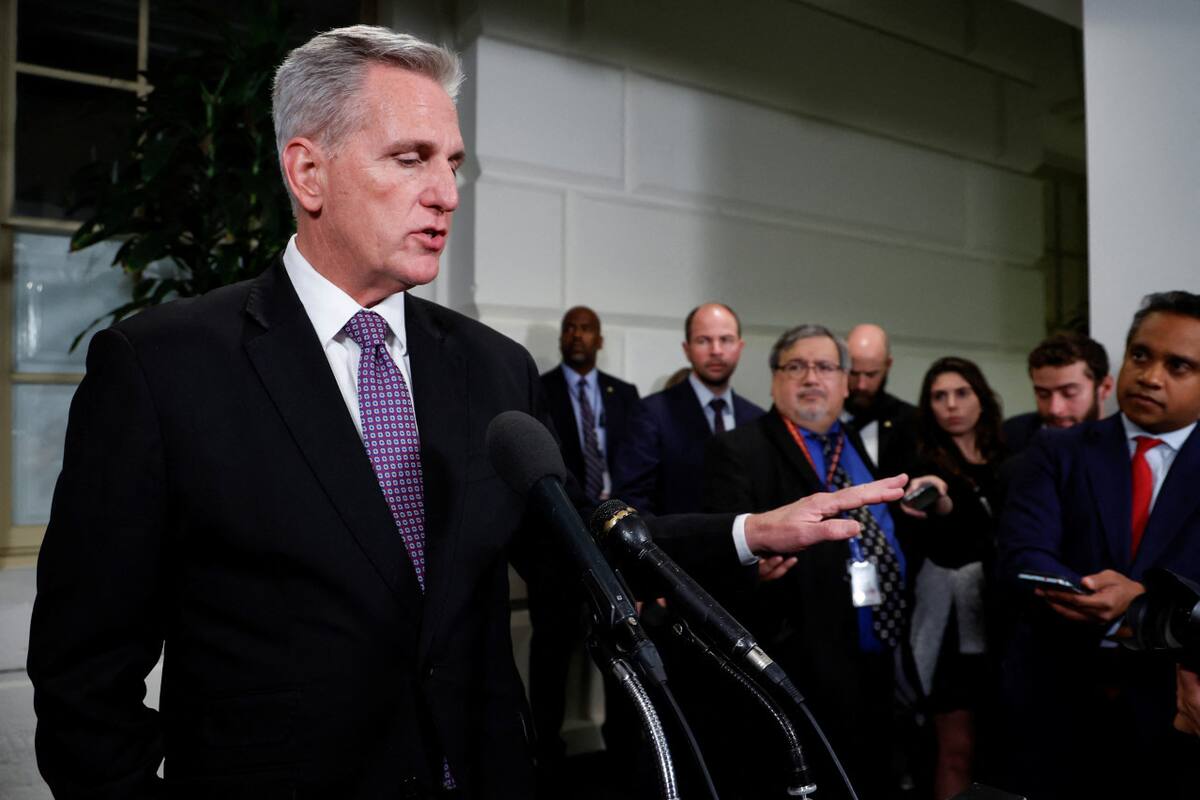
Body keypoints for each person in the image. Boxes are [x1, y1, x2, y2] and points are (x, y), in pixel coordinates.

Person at [26, 26, 908, 799]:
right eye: (410, 159)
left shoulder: (492, 369)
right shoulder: (165, 365)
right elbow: (83, 671)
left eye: (453, 163)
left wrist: (751, 532)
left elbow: (573, 547)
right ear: (308, 170)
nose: (447, 192)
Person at [998, 290, 1200, 799]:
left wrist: (1142, 607)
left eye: (1179, 366)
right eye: (1141, 356)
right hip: (1059, 697)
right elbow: (1022, 554)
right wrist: (1096, 596)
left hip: (1175, 711)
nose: (1151, 376)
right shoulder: (1057, 449)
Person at [703, 324, 908, 800]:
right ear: (775, 379)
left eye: (824, 367)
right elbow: (719, 557)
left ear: (845, 381)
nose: (811, 377)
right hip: (797, 663)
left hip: (874, 655)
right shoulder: (738, 450)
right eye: (796, 366)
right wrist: (752, 567)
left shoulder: (855, 442)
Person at [530, 306, 639, 769]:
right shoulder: (540, 388)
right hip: (559, 543)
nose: (576, 335)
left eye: (585, 328)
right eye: (569, 328)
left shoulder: (625, 395)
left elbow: (636, 463)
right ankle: (545, 756)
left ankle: (625, 752)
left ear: (600, 338)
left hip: (614, 544)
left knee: (620, 650)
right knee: (552, 651)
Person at [901, 357, 1007, 800]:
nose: (951, 405)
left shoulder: (1012, 454)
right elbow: (936, 511)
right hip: (950, 627)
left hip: (1005, 615)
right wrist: (935, 499)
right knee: (955, 749)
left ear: (981, 397)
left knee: (1002, 750)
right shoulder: (926, 462)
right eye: (939, 396)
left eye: (961, 393)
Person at [612, 302, 764, 516]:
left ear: (739, 347)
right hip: (672, 547)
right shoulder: (651, 414)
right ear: (687, 349)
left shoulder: (757, 420)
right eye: (704, 340)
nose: (716, 350)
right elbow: (632, 500)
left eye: (726, 340)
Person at [1003, 332, 1114, 454]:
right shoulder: (1010, 436)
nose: (1054, 409)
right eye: (1043, 394)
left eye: (1069, 393)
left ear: (1105, 388)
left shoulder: (1126, 448)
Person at [844, 323, 919, 476]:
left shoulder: (911, 421)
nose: (861, 385)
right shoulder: (820, 417)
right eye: (853, 373)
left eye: (871, 374)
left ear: (888, 365)